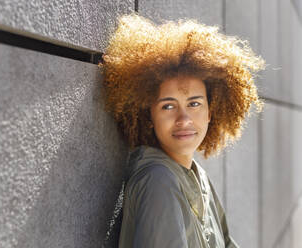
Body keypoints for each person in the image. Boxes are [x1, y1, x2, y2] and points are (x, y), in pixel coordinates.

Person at [98, 12, 265, 248]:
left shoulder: (199, 178)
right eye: (168, 106)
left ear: (210, 112)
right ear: (149, 115)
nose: (183, 119)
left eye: (194, 103)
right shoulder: (159, 181)